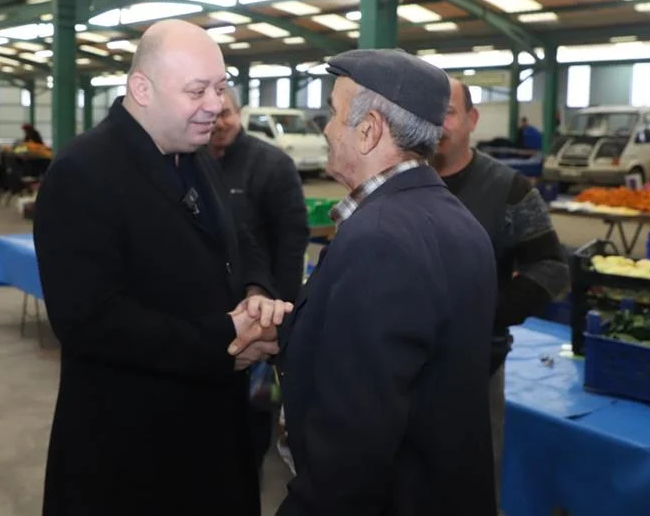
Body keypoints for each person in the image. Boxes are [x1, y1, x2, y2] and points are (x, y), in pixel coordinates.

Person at [33, 19, 292, 516]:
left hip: (213, 431)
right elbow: (88, 320)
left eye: (220, 88)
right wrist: (223, 338)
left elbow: (240, 239)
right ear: (141, 88)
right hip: (132, 449)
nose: (215, 106)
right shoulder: (83, 174)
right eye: (197, 90)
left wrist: (256, 289)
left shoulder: (193, 155)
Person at [274, 49, 499, 516]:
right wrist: (284, 334)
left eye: (334, 115)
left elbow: (353, 444)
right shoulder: (456, 220)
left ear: (370, 129)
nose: (327, 129)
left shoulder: (379, 239)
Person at [432, 78, 570, 507]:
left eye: (449, 113)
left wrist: (491, 313)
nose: (438, 123)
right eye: (429, 112)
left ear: (472, 120)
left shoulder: (508, 189)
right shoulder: (398, 179)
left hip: (477, 367)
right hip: (403, 367)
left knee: (472, 483)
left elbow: (552, 267)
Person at [209, 86, 310, 477]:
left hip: (260, 304)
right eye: (212, 114)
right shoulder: (194, 159)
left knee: (254, 405)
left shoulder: (271, 164)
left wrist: (275, 310)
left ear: (240, 113)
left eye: (227, 113)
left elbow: (293, 239)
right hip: (216, 310)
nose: (218, 123)